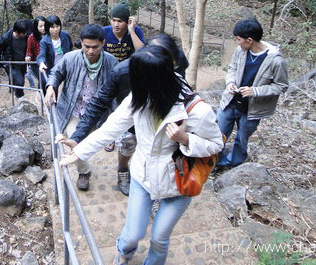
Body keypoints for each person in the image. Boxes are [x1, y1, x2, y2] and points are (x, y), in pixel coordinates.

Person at [57, 45, 223, 264]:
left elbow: (216, 144)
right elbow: (110, 128)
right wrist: (79, 152)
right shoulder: (140, 97)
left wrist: (185, 139)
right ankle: (124, 252)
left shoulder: (196, 111)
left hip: (178, 182)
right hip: (142, 175)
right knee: (132, 235)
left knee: (159, 238)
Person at [69, 34, 189, 196]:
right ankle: (123, 169)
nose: (167, 72)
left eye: (170, 65)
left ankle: (162, 182)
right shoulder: (124, 71)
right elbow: (99, 102)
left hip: (166, 115)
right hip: (132, 116)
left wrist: (187, 138)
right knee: (127, 144)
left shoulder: (178, 62)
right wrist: (78, 137)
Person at [44, 24, 118, 191]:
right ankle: (84, 171)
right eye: (86, 46)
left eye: (95, 47)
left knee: (93, 142)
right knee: (74, 143)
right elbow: (56, 73)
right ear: (81, 43)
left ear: (103, 43)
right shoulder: (71, 58)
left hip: (99, 113)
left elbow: (118, 88)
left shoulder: (111, 62)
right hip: (74, 110)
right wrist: (51, 87)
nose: (90, 51)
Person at [216, 18, 289, 168]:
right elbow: (232, 68)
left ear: (249, 40)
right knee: (218, 133)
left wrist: (255, 91)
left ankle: (232, 165)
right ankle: (213, 162)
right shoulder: (241, 51)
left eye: (238, 39)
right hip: (230, 101)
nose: (237, 42)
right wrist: (230, 83)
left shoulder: (276, 61)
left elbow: (281, 86)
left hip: (252, 108)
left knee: (241, 139)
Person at [0, 19, 30, 99]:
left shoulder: (26, 36)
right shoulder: (8, 36)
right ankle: (20, 97)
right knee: (19, 81)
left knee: (21, 79)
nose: (25, 34)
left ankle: (12, 89)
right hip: (11, 63)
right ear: (17, 32)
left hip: (22, 63)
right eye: (23, 33)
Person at [37, 15, 72, 89]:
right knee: (52, 87)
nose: (55, 29)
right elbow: (41, 55)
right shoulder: (45, 41)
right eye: (52, 27)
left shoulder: (65, 36)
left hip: (66, 66)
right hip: (52, 68)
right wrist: (41, 63)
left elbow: (70, 48)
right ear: (48, 28)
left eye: (57, 26)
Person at [25, 15, 46, 88]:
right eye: (40, 26)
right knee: (43, 80)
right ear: (36, 27)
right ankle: (40, 93)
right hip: (36, 64)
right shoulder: (32, 37)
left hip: (48, 62)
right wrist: (28, 56)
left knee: (48, 81)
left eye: (44, 25)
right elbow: (29, 50)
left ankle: (42, 93)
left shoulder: (49, 35)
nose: (43, 28)